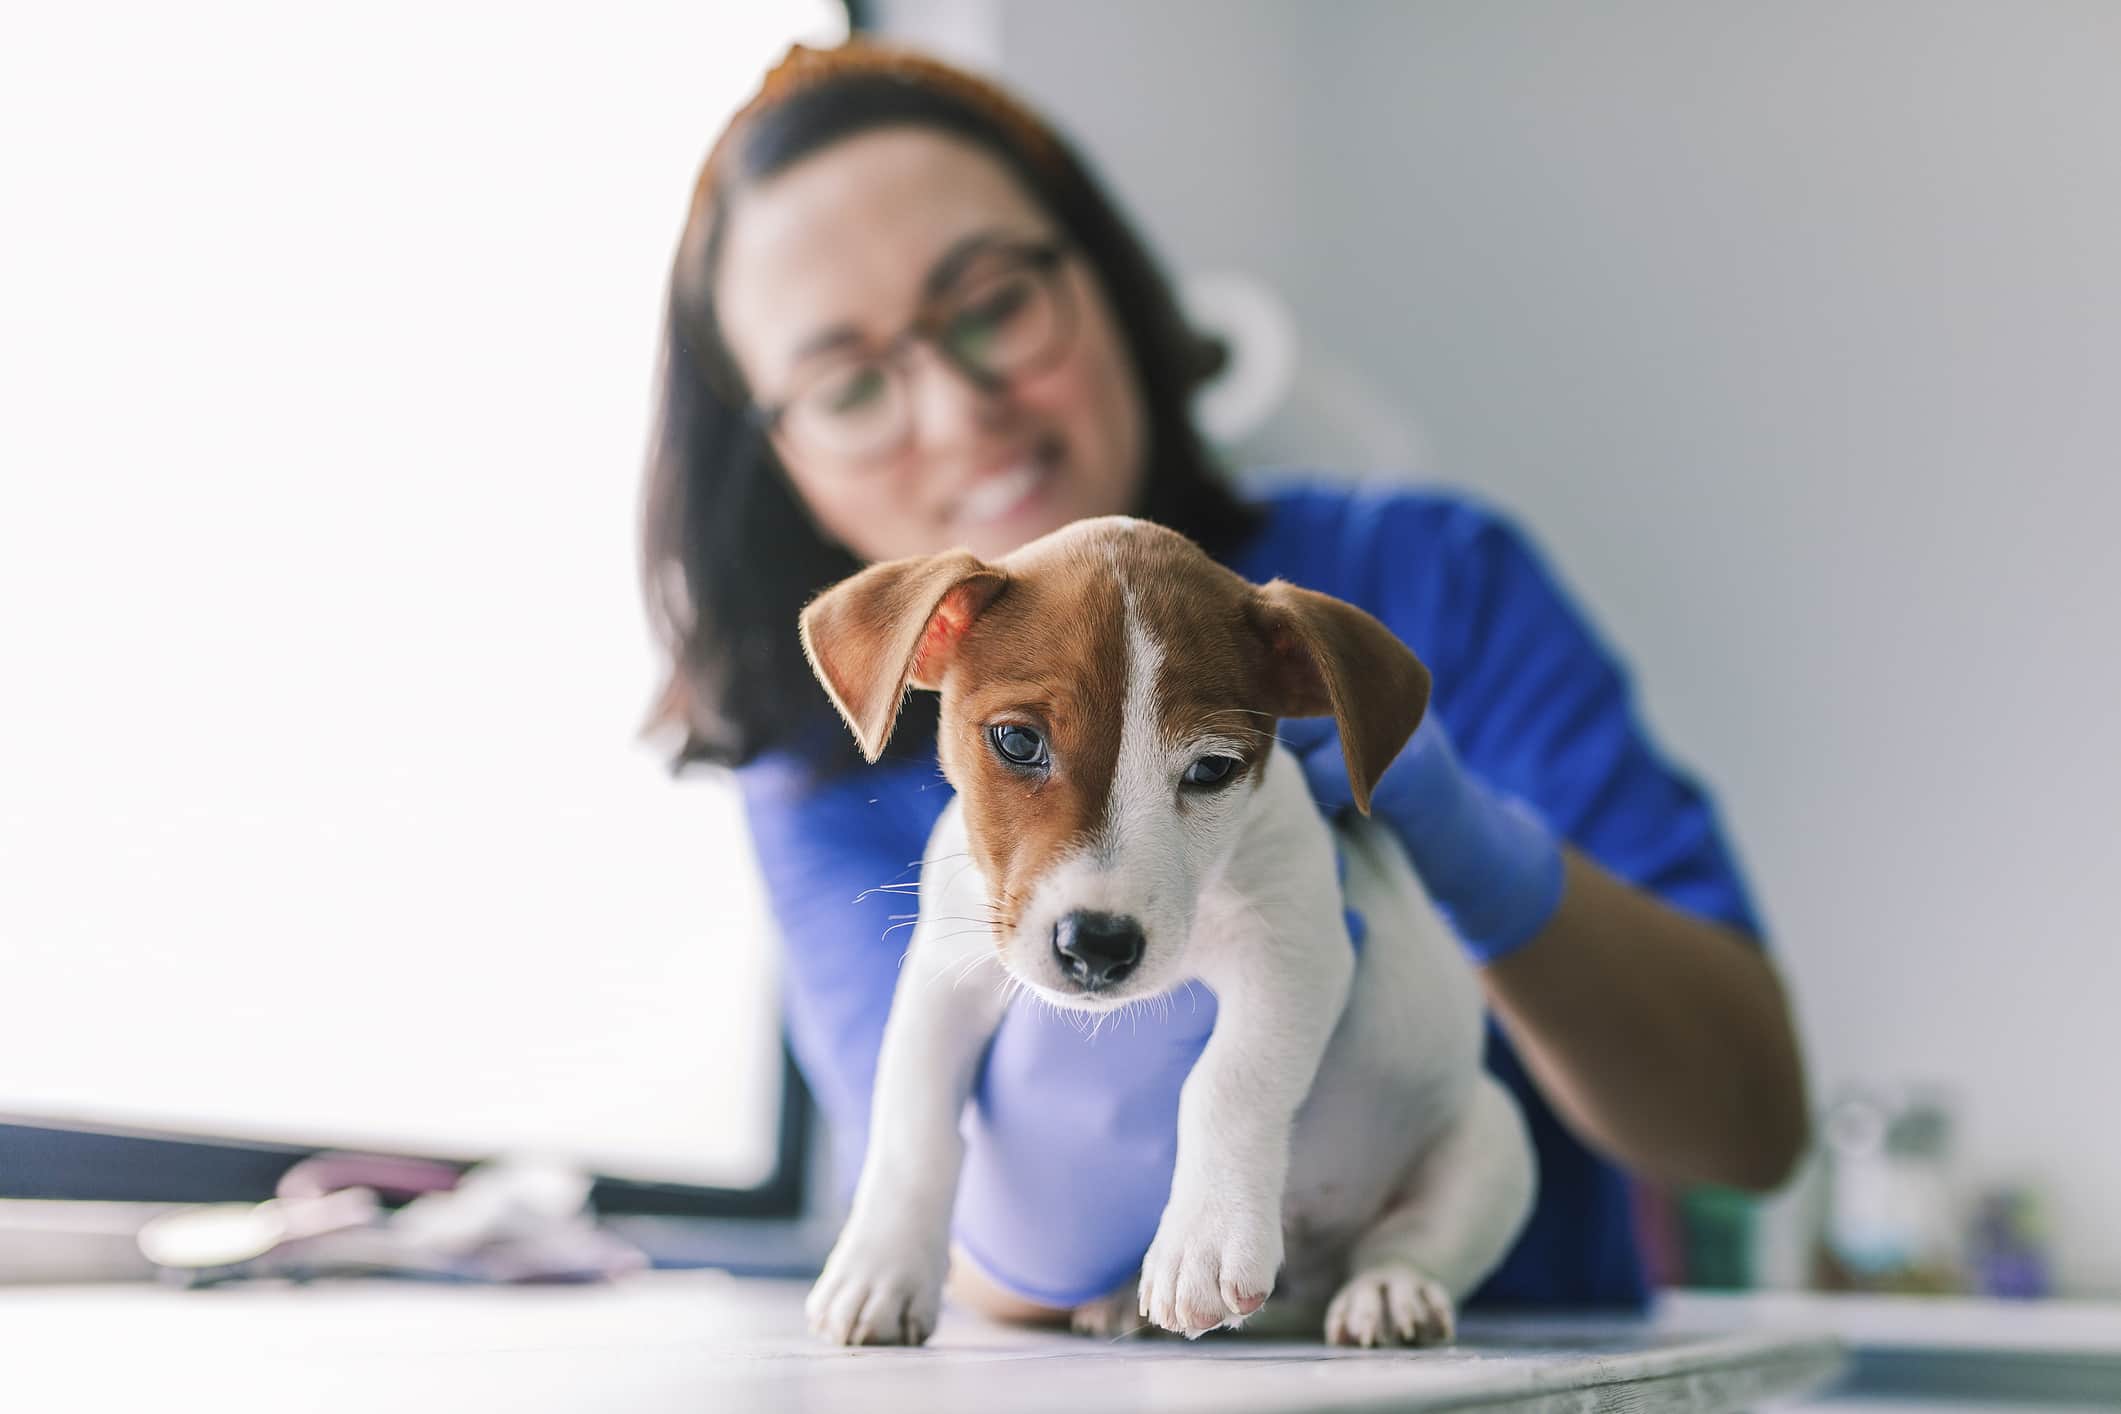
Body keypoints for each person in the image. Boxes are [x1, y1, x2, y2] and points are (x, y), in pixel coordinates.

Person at [640, 40, 1807, 1317]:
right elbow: (965, 1244)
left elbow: (1750, 1129)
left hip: (1520, 1349)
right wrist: (1041, 1182)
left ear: (1104, 280)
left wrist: (1488, 865)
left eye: (990, 304)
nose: (960, 410)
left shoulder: (1418, 579)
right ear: (776, 463)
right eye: (848, 383)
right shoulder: (813, 757)